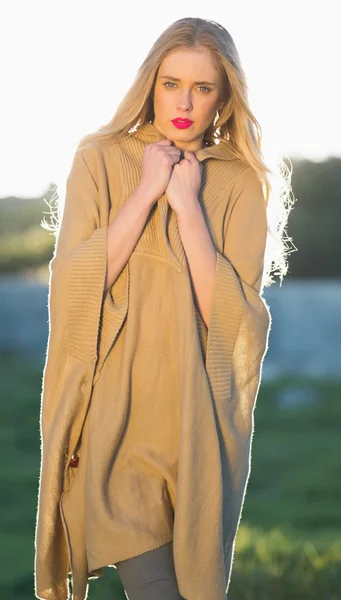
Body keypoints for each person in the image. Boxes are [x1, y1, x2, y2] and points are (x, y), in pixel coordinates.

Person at [34, 16, 294, 600]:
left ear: (224, 97)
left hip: (195, 430)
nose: (184, 103)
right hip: (114, 430)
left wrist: (189, 210)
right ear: (151, 83)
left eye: (203, 88)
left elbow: (230, 325)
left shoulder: (240, 183)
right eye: (172, 83)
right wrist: (148, 189)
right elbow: (75, 287)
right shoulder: (98, 159)